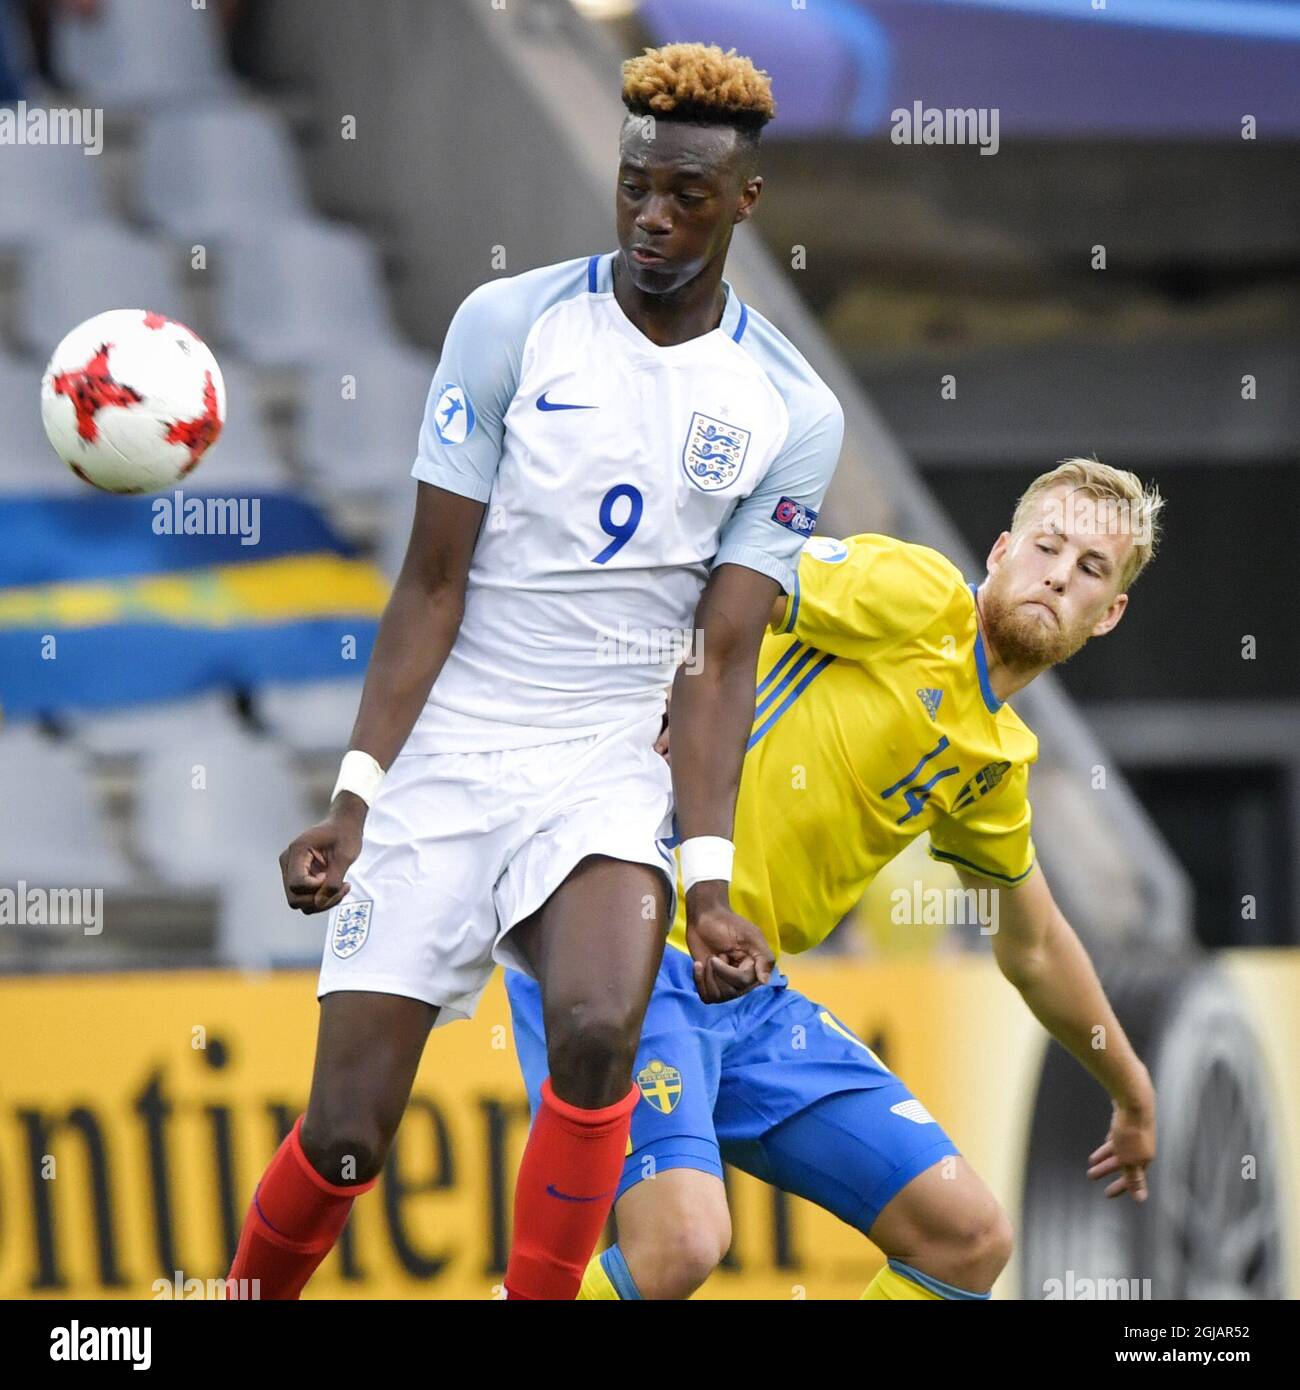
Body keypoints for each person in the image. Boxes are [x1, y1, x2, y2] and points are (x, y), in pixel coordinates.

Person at [225, 42, 845, 1301]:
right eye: (633, 187)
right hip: (453, 748)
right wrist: (355, 796)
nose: (652, 218)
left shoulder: (790, 410)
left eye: (684, 195)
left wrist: (708, 878)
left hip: (607, 762)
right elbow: (430, 584)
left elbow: (721, 659)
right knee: (346, 1134)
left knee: (602, 1029)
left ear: (744, 203)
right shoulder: (508, 325)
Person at [508, 458, 1163, 1300]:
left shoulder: (995, 762)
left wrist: (1132, 1092)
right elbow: (734, 585)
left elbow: (1034, 945)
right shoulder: (919, 594)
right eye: (1048, 547)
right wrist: (664, 685)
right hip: (625, 938)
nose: (1058, 576)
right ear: (1002, 551)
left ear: (1106, 615)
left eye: (1090, 570)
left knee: (968, 1239)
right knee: (682, 1244)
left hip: (743, 993)